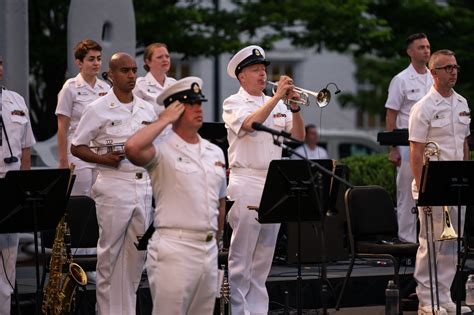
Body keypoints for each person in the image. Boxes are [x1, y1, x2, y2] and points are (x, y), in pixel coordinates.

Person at [125, 76, 227, 314]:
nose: (198, 109)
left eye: (199, 103)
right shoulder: (162, 149)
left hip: (208, 249)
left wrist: (216, 240)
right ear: (175, 109)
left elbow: (220, 203)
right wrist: (163, 120)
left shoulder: (214, 152)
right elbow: (132, 148)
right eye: (190, 104)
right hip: (175, 248)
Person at [71, 52, 156, 314]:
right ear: (111, 75)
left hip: (142, 185)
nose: (131, 76)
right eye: (125, 71)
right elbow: (77, 146)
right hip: (113, 183)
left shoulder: (146, 108)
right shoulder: (97, 109)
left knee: (136, 257)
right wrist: (103, 158)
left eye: (134, 71)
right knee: (109, 256)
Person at [223, 45, 305, 314]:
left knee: (263, 257)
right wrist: (277, 97)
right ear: (241, 76)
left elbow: (299, 138)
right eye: (255, 70)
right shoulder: (233, 103)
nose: (262, 74)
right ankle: (239, 310)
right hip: (245, 180)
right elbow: (249, 124)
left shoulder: (278, 104)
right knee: (241, 257)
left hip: (273, 182)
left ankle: (258, 310)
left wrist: (293, 107)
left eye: (263, 70)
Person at [409, 49, 471, 314]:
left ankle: (444, 295)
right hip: (432, 185)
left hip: (456, 185)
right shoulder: (423, 107)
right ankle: (426, 299)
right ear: (434, 72)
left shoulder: (463, 103)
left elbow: (464, 144)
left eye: (456, 67)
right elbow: (415, 150)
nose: (453, 71)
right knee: (430, 243)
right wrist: (423, 189)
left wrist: (467, 177)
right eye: (447, 68)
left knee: (451, 243)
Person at [385, 33, 433, 243]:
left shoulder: (435, 77)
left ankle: (430, 238)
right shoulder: (401, 79)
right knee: (406, 193)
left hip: (432, 143)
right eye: (421, 47)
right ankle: (407, 241)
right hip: (407, 143)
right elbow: (391, 114)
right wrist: (393, 147)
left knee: (432, 191)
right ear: (410, 52)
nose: (426, 50)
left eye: (428, 47)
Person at [0, 55, 36, 315]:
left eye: (0, 63)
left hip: (11, 187)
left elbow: (25, 150)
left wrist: (24, 187)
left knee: (7, 265)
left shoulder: (16, 100)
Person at [55, 39, 109, 196]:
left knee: (100, 198)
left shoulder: (105, 88)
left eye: (99, 58)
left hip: (100, 150)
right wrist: (63, 160)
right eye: (91, 59)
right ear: (79, 63)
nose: (96, 63)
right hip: (77, 151)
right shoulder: (70, 87)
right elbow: (62, 127)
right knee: (80, 198)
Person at [133, 42, 176, 117]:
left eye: (167, 56)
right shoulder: (139, 85)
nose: (165, 60)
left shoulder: (174, 84)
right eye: (159, 57)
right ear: (148, 62)